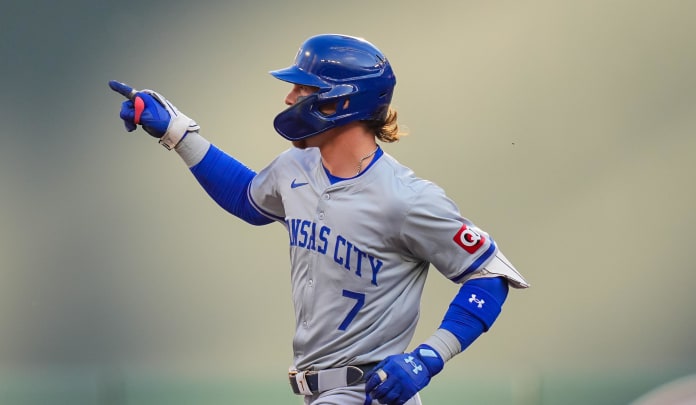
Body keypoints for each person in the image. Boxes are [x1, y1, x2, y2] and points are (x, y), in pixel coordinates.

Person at [109, 33, 529, 405]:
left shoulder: (406, 198)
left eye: (303, 87)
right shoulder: (297, 166)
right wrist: (177, 133)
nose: (291, 98)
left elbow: (490, 276)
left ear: (342, 101)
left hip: (369, 391)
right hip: (319, 392)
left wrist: (429, 357)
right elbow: (247, 198)